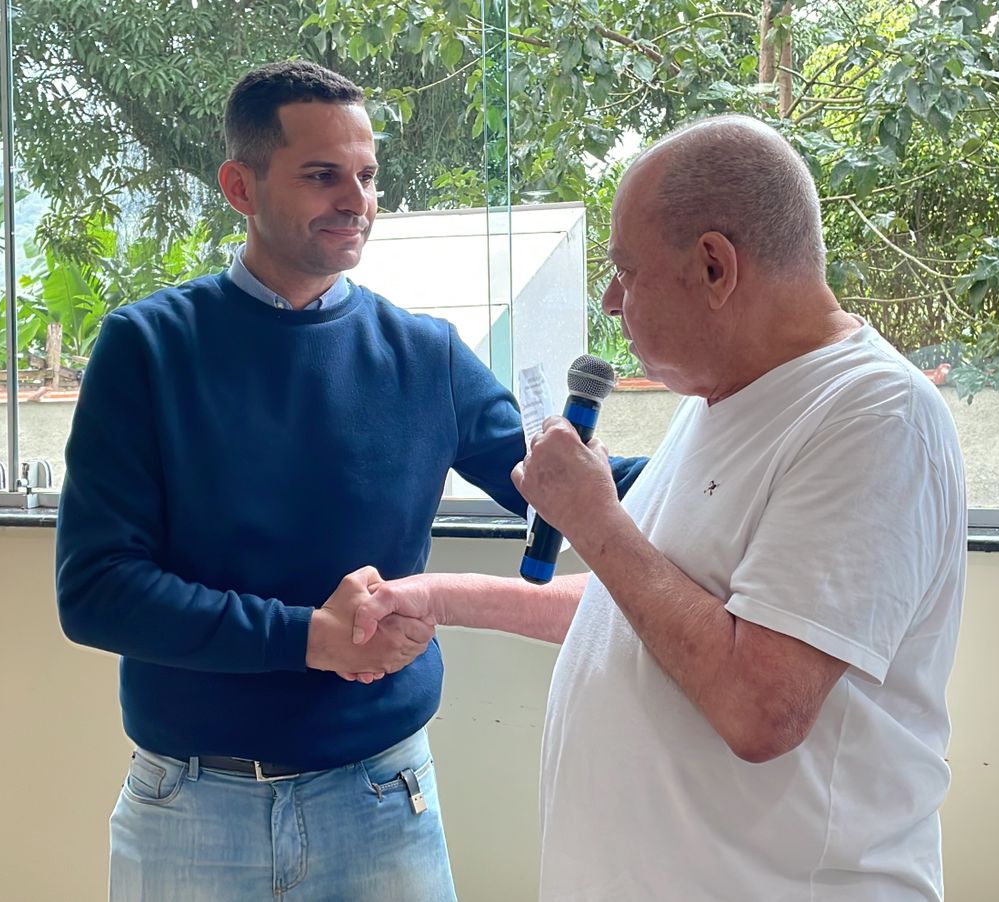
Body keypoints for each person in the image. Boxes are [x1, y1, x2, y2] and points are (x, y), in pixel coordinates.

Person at [54, 60, 643, 901]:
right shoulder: (147, 349)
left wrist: (749, 446)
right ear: (240, 186)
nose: (356, 200)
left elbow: (564, 487)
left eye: (366, 176)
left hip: (382, 801)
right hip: (189, 807)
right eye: (322, 175)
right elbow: (97, 593)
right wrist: (309, 637)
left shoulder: (426, 355)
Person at [356, 114, 967, 900]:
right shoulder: (720, 398)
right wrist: (441, 596)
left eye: (626, 271)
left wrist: (595, 519)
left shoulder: (874, 417)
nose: (611, 300)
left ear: (715, 266)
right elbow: (645, 609)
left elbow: (760, 707)